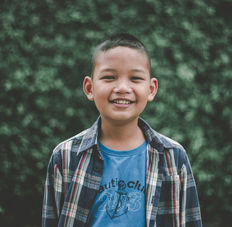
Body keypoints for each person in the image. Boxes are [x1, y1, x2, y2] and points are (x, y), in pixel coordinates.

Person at [42, 33, 202, 227]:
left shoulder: (173, 157)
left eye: (135, 78)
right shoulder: (66, 156)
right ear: (89, 88)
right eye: (109, 77)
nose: (122, 87)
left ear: (151, 89)